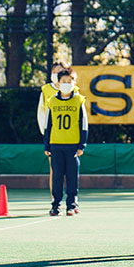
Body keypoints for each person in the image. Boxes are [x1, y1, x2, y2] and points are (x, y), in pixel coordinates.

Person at [44, 66, 88, 216]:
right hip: (56, 145)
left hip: (72, 146)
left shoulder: (78, 100)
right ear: (58, 83)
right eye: (64, 81)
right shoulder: (52, 101)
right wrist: (47, 145)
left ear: (74, 83)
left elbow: (83, 124)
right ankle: (56, 204)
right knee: (57, 176)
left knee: (72, 176)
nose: (67, 84)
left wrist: (82, 144)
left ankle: (71, 204)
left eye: (70, 81)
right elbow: (48, 125)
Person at [38, 63, 71, 196]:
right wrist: (45, 132)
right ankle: (55, 198)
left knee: (70, 170)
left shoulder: (74, 90)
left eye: (60, 71)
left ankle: (72, 199)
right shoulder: (46, 90)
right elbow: (41, 112)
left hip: (70, 136)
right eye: (55, 71)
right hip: (54, 136)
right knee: (55, 169)